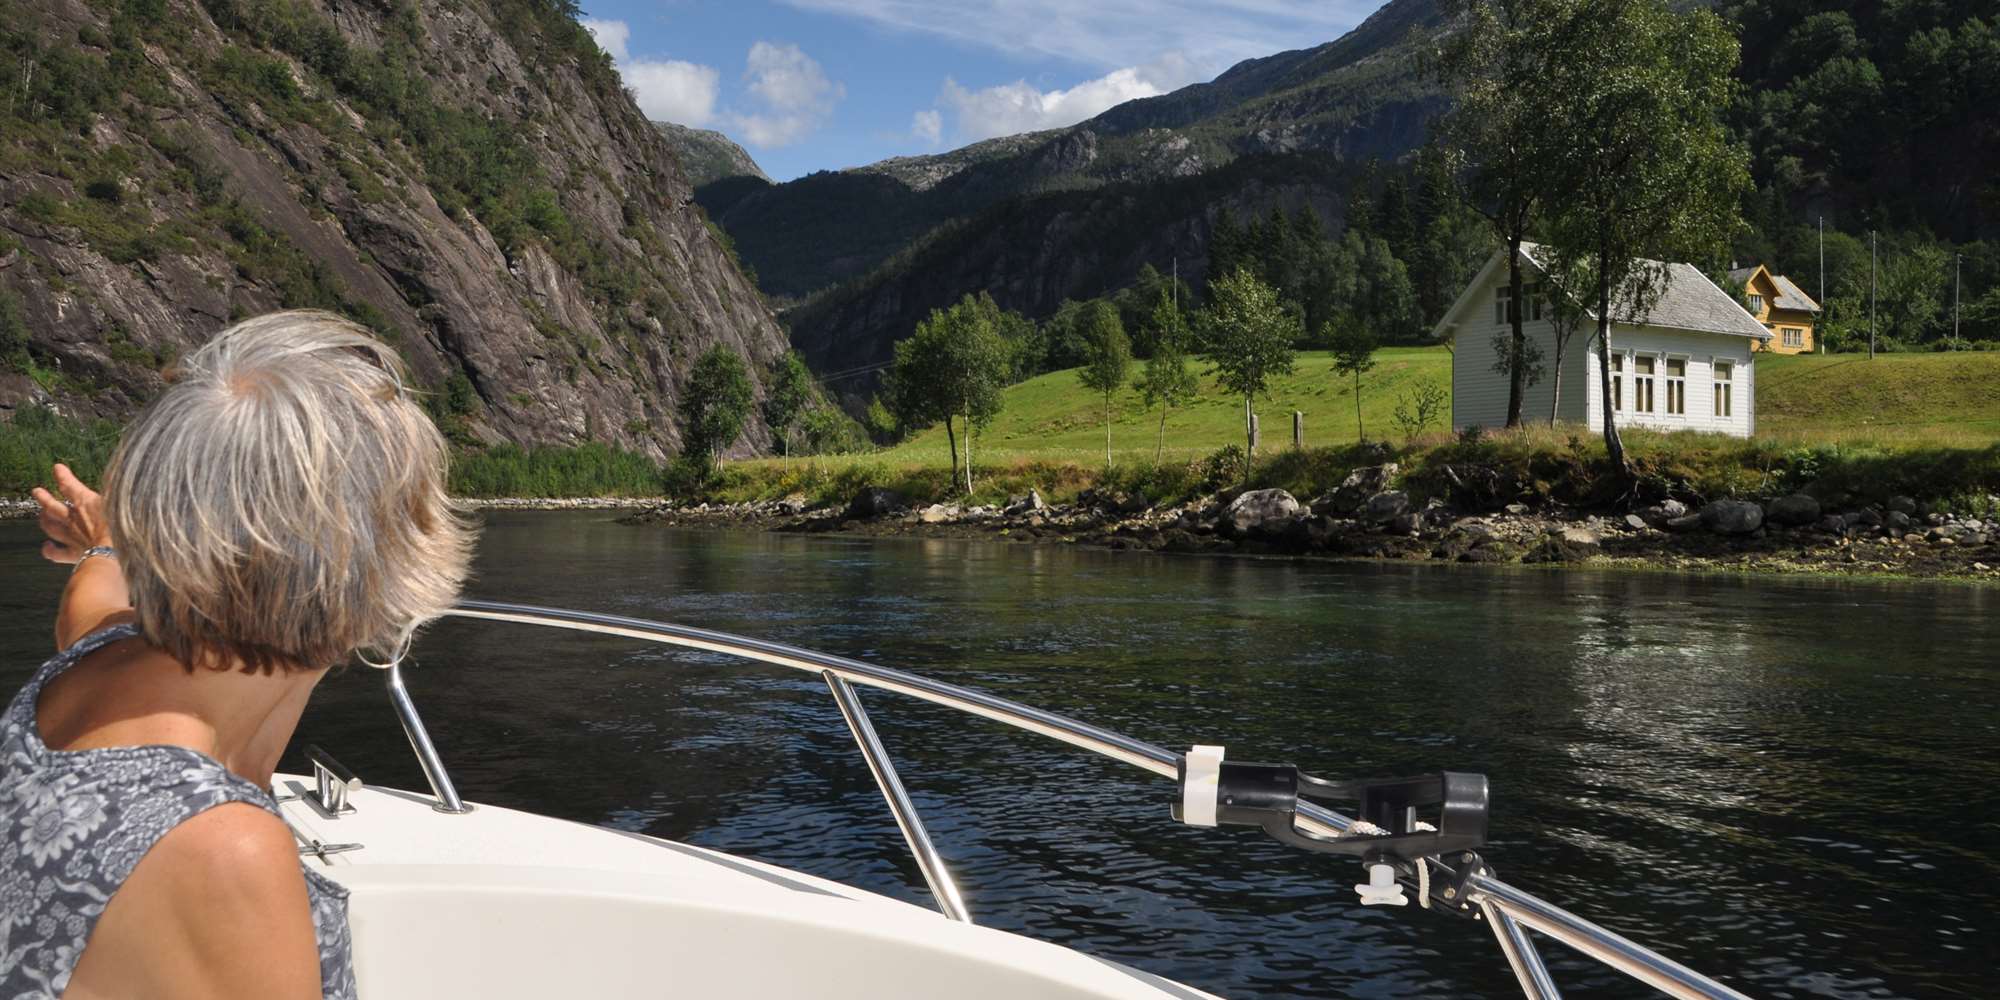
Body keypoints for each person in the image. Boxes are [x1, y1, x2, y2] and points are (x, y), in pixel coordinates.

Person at [0, 311, 474, 998]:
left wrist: (103, 542)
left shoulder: (95, 660)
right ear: (384, 560)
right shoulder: (222, 848)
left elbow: (90, 601)